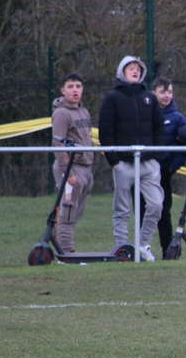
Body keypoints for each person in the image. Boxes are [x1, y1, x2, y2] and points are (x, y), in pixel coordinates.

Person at [99, 56, 164, 262]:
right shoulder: (112, 98)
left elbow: (159, 129)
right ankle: (122, 248)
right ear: (122, 72)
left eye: (137, 68)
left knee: (156, 205)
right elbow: (105, 132)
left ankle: (143, 245)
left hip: (148, 163)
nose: (135, 71)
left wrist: (156, 156)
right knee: (123, 209)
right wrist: (114, 161)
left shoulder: (150, 98)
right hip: (123, 163)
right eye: (130, 68)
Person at [149, 77, 186, 258]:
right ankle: (142, 247)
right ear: (153, 94)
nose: (166, 95)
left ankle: (167, 250)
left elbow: (183, 144)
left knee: (163, 210)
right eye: (162, 92)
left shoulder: (177, 118)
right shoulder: (145, 115)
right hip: (144, 171)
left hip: (163, 173)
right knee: (143, 210)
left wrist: (172, 166)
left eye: (169, 92)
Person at [51, 72, 94, 254]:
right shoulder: (61, 114)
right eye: (70, 87)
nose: (75, 90)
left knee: (76, 212)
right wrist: (67, 173)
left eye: (78, 86)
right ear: (63, 90)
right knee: (67, 211)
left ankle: (55, 247)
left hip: (85, 168)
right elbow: (58, 143)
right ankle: (66, 253)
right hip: (70, 168)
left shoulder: (84, 111)